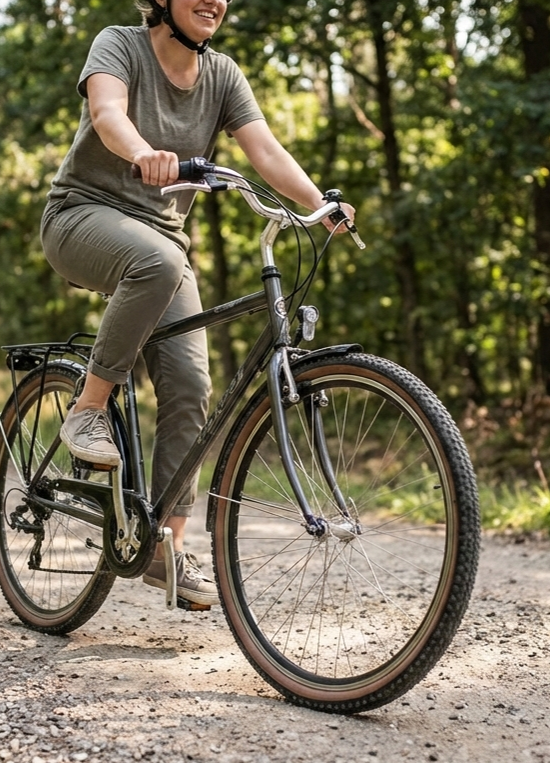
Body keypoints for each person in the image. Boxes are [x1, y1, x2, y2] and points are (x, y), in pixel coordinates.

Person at [40, 0, 355, 606]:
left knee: (190, 383)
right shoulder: (119, 44)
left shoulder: (223, 75)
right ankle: (88, 408)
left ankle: (168, 549)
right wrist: (141, 153)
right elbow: (108, 114)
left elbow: (265, 151)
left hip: (162, 243)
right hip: (79, 217)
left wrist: (321, 207)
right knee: (156, 262)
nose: (214, 0)